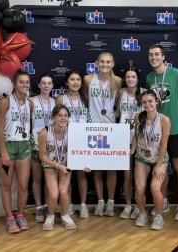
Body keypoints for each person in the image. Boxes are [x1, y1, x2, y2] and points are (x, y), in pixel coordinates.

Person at [146, 45, 178, 220]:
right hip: (158, 132)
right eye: (151, 54)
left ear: (163, 57)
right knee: (161, 170)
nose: (153, 57)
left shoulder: (176, 73)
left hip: (176, 130)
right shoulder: (150, 77)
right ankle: (162, 201)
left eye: (157, 54)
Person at [84, 52, 122, 216]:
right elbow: (84, 99)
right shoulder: (87, 79)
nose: (105, 65)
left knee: (111, 168)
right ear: (96, 63)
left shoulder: (118, 81)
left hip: (111, 127)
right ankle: (100, 201)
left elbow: (119, 104)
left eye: (108, 62)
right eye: (102, 62)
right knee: (97, 168)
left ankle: (111, 202)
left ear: (112, 64)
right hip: (93, 126)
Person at [0, 70, 33, 234]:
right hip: (7, 146)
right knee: (6, 185)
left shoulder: (30, 103)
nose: (24, 85)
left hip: (23, 146)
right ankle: (10, 218)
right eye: (21, 82)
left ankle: (21, 215)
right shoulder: (5, 101)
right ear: (14, 84)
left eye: (27, 82)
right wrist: (3, 152)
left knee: (23, 186)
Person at [132, 89, 170, 230]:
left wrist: (159, 165)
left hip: (159, 157)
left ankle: (159, 216)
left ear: (156, 102)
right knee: (140, 188)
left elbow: (164, 144)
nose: (147, 104)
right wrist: (132, 149)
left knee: (154, 188)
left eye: (150, 101)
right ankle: (142, 213)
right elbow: (136, 136)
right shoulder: (138, 117)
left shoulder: (164, 120)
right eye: (144, 102)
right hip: (142, 157)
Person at [56, 70, 90, 218]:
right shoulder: (61, 99)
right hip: (66, 140)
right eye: (72, 79)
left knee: (82, 175)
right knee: (66, 174)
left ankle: (83, 205)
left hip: (83, 141)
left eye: (78, 79)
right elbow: (56, 120)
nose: (75, 82)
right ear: (66, 82)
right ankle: (68, 204)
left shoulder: (86, 98)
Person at [39, 104, 76, 230]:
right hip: (50, 165)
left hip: (66, 165)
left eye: (65, 115)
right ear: (54, 117)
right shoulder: (45, 132)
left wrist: (83, 165)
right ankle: (50, 216)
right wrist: (57, 165)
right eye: (60, 115)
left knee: (64, 191)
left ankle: (65, 215)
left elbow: (81, 150)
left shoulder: (73, 131)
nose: (63, 118)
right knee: (54, 194)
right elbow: (42, 156)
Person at [116, 65, 144, 219]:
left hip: (140, 138)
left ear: (137, 79)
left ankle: (139, 206)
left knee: (139, 176)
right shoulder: (121, 92)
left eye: (133, 77)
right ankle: (128, 204)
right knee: (127, 174)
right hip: (123, 137)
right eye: (128, 77)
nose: (130, 79)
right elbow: (117, 113)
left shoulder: (144, 92)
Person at [30, 73, 55, 223]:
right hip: (34, 143)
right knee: (37, 177)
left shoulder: (55, 102)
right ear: (39, 85)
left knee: (49, 178)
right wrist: (2, 96)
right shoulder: (31, 101)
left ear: (52, 86)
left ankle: (47, 205)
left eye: (49, 83)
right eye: (43, 83)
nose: (46, 85)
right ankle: (39, 206)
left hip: (51, 144)